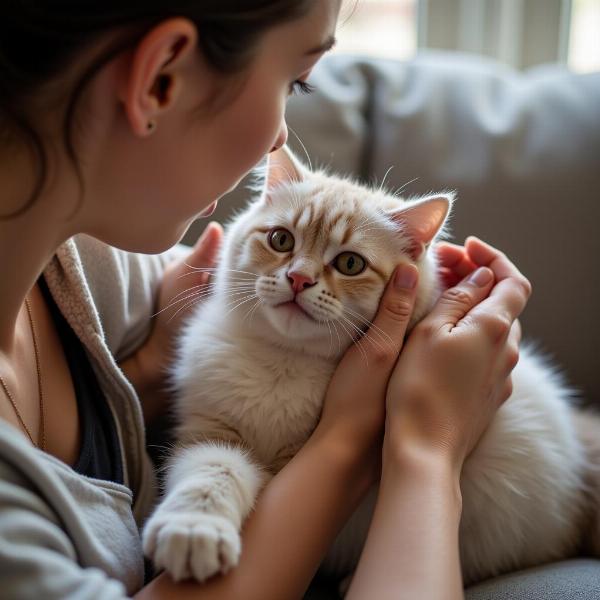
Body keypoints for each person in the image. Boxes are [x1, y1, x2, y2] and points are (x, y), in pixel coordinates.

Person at [0, 1, 530, 598]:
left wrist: (144, 370)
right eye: (295, 81)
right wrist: (423, 445)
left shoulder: (99, 267)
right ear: (160, 77)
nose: (282, 134)